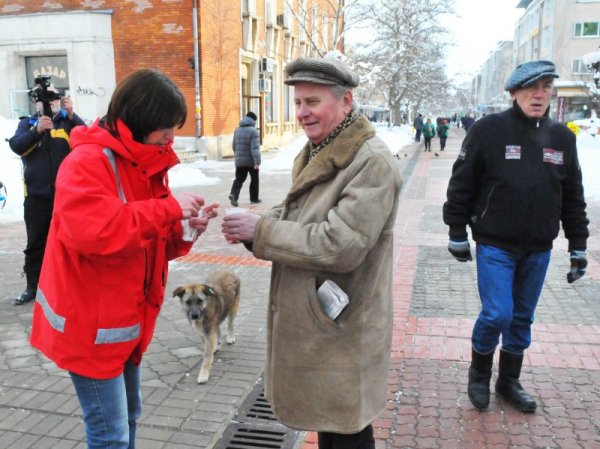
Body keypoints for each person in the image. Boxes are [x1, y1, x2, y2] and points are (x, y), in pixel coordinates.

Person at [29, 68, 219, 448]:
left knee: (128, 418)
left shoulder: (146, 162)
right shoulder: (87, 162)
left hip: (123, 325)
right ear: (140, 119)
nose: (172, 136)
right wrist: (168, 212)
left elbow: (146, 241)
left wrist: (184, 229)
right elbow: (96, 233)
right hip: (89, 330)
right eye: (166, 127)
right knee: (109, 435)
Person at [222, 57, 402, 448]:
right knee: (332, 425)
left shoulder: (370, 162)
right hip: (324, 321)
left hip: (344, 325)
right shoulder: (323, 148)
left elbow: (341, 245)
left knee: (346, 430)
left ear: (347, 101)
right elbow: (301, 215)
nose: (302, 113)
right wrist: (252, 223)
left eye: (313, 102)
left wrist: (263, 230)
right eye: (299, 102)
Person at [443, 60, 589, 413]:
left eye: (546, 87)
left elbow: (573, 196)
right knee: (497, 313)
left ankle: (508, 380)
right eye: (530, 87)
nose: (539, 94)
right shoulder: (489, 130)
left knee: (522, 318)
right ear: (513, 92)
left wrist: (578, 246)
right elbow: (462, 182)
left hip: (538, 248)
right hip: (495, 244)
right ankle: (479, 374)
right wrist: (456, 230)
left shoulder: (562, 138)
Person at [8, 88, 86, 305]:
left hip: (67, 196)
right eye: (43, 100)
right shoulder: (27, 124)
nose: (48, 103)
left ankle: (72, 285)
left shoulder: (67, 124)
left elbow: (89, 140)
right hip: (36, 197)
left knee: (71, 242)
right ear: (36, 104)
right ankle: (33, 287)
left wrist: (72, 115)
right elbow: (17, 146)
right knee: (35, 244)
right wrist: (37, 131)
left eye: (53, 99)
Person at [228, 111, 261, 206]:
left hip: (240, 161)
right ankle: (254, 198)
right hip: (251, 162)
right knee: (254, 179)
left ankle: (233, 194)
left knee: (239, 179)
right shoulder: (253, 131)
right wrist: (257, 162)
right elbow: (255, 148)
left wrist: (238, 156)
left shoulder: (237, 130)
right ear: (253, 120)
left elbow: (234, 146)